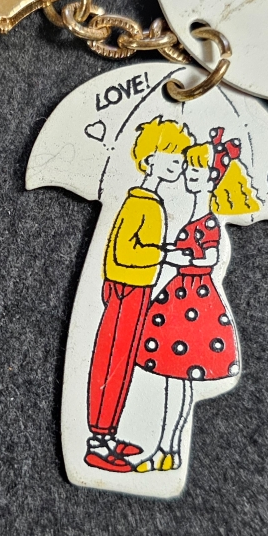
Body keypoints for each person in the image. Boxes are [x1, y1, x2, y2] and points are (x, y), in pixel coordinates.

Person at [133, 129, 260, 472]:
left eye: (197, 170)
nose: (189, 173)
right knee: (174, 382)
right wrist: (172, 253)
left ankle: (167, 448)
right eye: (189, 168)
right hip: (180, 296)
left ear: (211, 178)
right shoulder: (194, 217)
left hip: (193, 300)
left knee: (179, 382)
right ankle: (166, 450)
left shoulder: (209, 222)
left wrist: (173, 257)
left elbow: (209, 259)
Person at [84, 116, 194, 472]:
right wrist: (165, 254)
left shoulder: (151, 201)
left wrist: (163, 254)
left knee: (123, 363)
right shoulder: (139, 203)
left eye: (180, 157)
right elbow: (123, 252)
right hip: (127, 291)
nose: (178, 163)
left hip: (137, 290)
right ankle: (98, 443)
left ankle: (108, 435)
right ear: (150, 159)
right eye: (172, 155)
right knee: (112, 361)